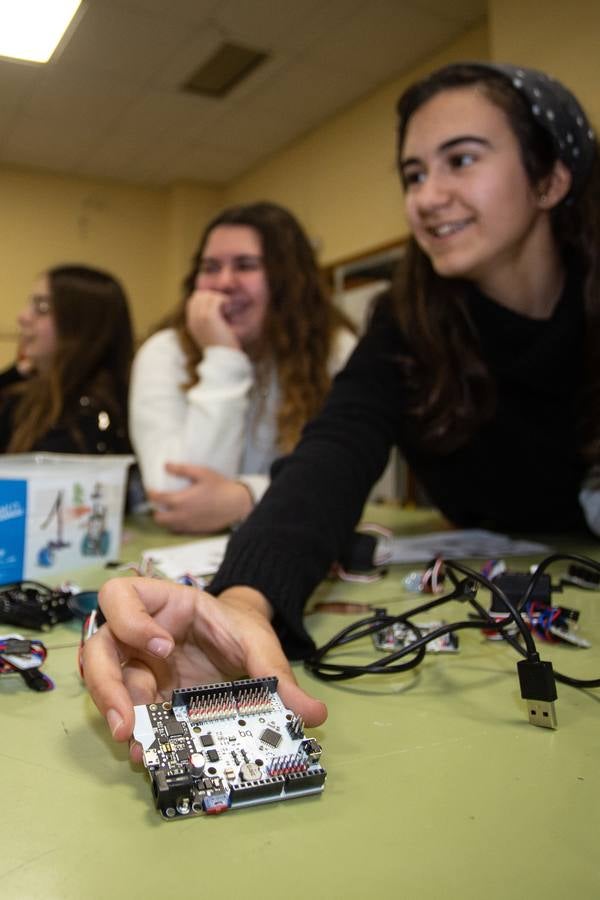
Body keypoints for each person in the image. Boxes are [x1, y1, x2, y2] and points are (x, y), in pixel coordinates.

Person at [84, 62, 600, 749]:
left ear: (551, 178)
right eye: (413, 174)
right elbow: (334, 455)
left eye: (461, 160)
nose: (427, 196)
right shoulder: (406, 320)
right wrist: (240, 603)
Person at [129, 201, 357, 533]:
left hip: (295, 543)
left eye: (245, 265)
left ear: (288, 280)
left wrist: (245, 497)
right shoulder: (164, 352)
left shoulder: (335, 350)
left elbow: (346, 478)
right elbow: (178, 498)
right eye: (209, 267)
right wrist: (223, 357)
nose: (223, 282)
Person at [0, 264, 133, 454]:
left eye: (42, 307)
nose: (22, 317)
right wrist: (15, 373)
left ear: (82, 326)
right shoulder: (28, 398)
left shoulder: (91, 416)